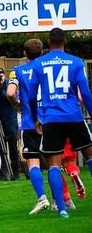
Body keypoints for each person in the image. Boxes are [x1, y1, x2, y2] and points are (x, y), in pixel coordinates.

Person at [27, 28, 92, 218]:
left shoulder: (38, 63)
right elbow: (86, 93)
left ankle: (62, 209)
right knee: (89, 155)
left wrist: (34, 118)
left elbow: (31, 95)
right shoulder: (76, 62)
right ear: (65, 42)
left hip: (51, 118)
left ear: (48, 43)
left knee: (54, 164)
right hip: (73, 115)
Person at [6, 38, 51, 214]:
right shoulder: (47, 69)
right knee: (54, 163)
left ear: (24, 53)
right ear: (41, 52)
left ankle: (42, 198)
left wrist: (17, 105)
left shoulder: (18, 71)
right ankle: (61, 201)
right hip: (50, 120)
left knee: (33, 162)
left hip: (30, 121)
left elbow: (10, 93)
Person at [0, 67, 21, 181]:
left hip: (10, 119)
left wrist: (0, 91)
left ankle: (15, 171)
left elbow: (10, 97)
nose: (0, 78)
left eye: (1, 75)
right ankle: (3, 172)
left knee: (13, 146)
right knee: (1, 146)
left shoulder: (10, 85)